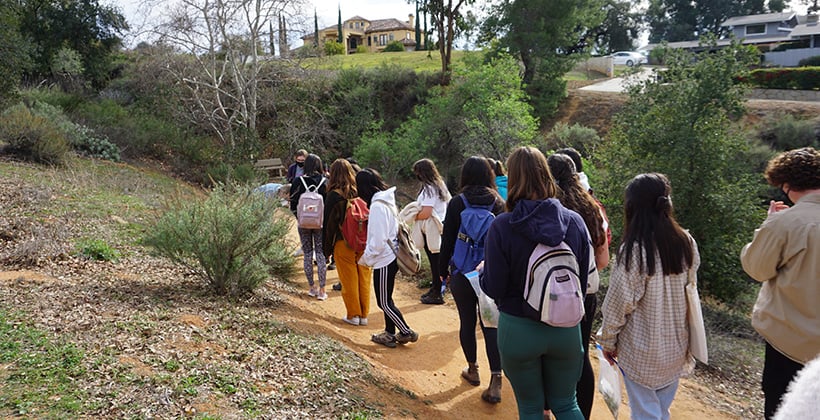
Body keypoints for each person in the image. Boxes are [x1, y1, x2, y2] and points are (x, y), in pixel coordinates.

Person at [482, 147, 590, 419]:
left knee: (530, 407)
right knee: (566, 404)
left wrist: (483, 274)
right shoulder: (574, 222)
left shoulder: (502, 226)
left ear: (513, 179)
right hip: (566, 329)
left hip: (519, 329)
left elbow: (494, 288)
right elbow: (582, 282)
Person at [599, 173, 699, 420]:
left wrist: (608, 341)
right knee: (660, 411)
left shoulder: (635, 250)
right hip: (676, 347)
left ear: (632, 206)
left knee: (645, 413)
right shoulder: (686, 241)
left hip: (642, 351)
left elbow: (619, 303)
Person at [739, 147, 820, 420]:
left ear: (786, 184)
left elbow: (757, 268)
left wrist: (768, 226)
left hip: (790, 344)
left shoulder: (786, 223)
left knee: (782, 408)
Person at [546, 153, 610, 419]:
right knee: (580, 354)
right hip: (585, 291)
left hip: (549, 292)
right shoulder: (592, 207)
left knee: (548, 354)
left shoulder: (546, 206)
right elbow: (603, 259)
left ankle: (547, 409)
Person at [439, 156, 506, 404]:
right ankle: (496, 379)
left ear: (465, 175)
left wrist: (442, 269)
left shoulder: (457, 202)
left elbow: (447, 239)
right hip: (489, 270)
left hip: (461, 270)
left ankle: (473, 369)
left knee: (467, 321)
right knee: (490, 324)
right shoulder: (498, 202)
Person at [356, 168, 419, 348]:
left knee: (383, 302)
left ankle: (406, 331)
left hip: (384, 259)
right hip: (391, 256)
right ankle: (389, 333)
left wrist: (366, 259)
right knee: (387, 298)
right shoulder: (387, 201)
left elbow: (377, 240)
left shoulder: (377, 207)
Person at [323, 159, 372, 326]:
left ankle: (353, 315)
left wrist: (326, 250)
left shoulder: (334, 196)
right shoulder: (360, 192)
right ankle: (364, 315)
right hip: (363, 242)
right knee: (363, 277)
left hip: (343, 243)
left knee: (349, 279)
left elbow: (329, 226)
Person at [408, 158, 451, 305]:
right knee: (438, 260)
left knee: (435, 261)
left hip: (431, 227)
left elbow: (426, 212)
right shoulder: (440, 185)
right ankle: (436, 288)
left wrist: (413, 216)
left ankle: (437, 292)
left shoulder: (429, 188)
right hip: (439, 226)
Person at [289, 154, 329, 300]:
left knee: (307, 253)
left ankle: (312, 287)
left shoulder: (298, 181)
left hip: (303, 223)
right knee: (320, 253)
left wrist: (300, 219)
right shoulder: (325, 182)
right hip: (320, 224)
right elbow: (328, 205)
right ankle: (323, 290)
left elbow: (293, 204)